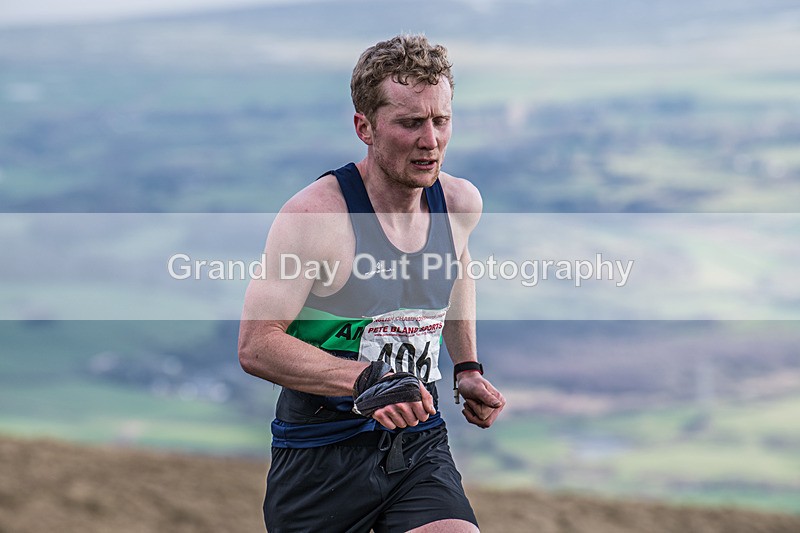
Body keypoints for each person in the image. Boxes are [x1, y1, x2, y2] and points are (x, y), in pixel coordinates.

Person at [239, 33, 506, 533]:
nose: (431, 140)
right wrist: (369, 380)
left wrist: (466, 365)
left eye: (441, 120)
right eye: (410, 123)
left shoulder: (459, 204)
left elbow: (455, 273)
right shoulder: (315, 217)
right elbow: (257, 346)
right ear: (365, 126)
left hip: (417, 446)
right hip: (321, 457)